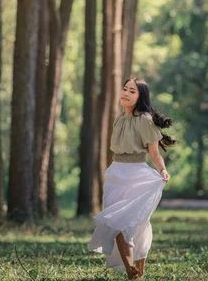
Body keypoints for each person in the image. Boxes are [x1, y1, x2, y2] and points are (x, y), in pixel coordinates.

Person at [88, 78, 176, 279]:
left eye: (132, 91)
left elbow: (154, 153)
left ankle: (137, 266)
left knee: (134, 223)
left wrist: (162, 170)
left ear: (140, 97)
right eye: (125, 89)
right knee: (116, 222)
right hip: (115, 174)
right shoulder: (119, 119)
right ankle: (130, 269)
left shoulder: (144, 120)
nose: (126, 93)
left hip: (137, 175)